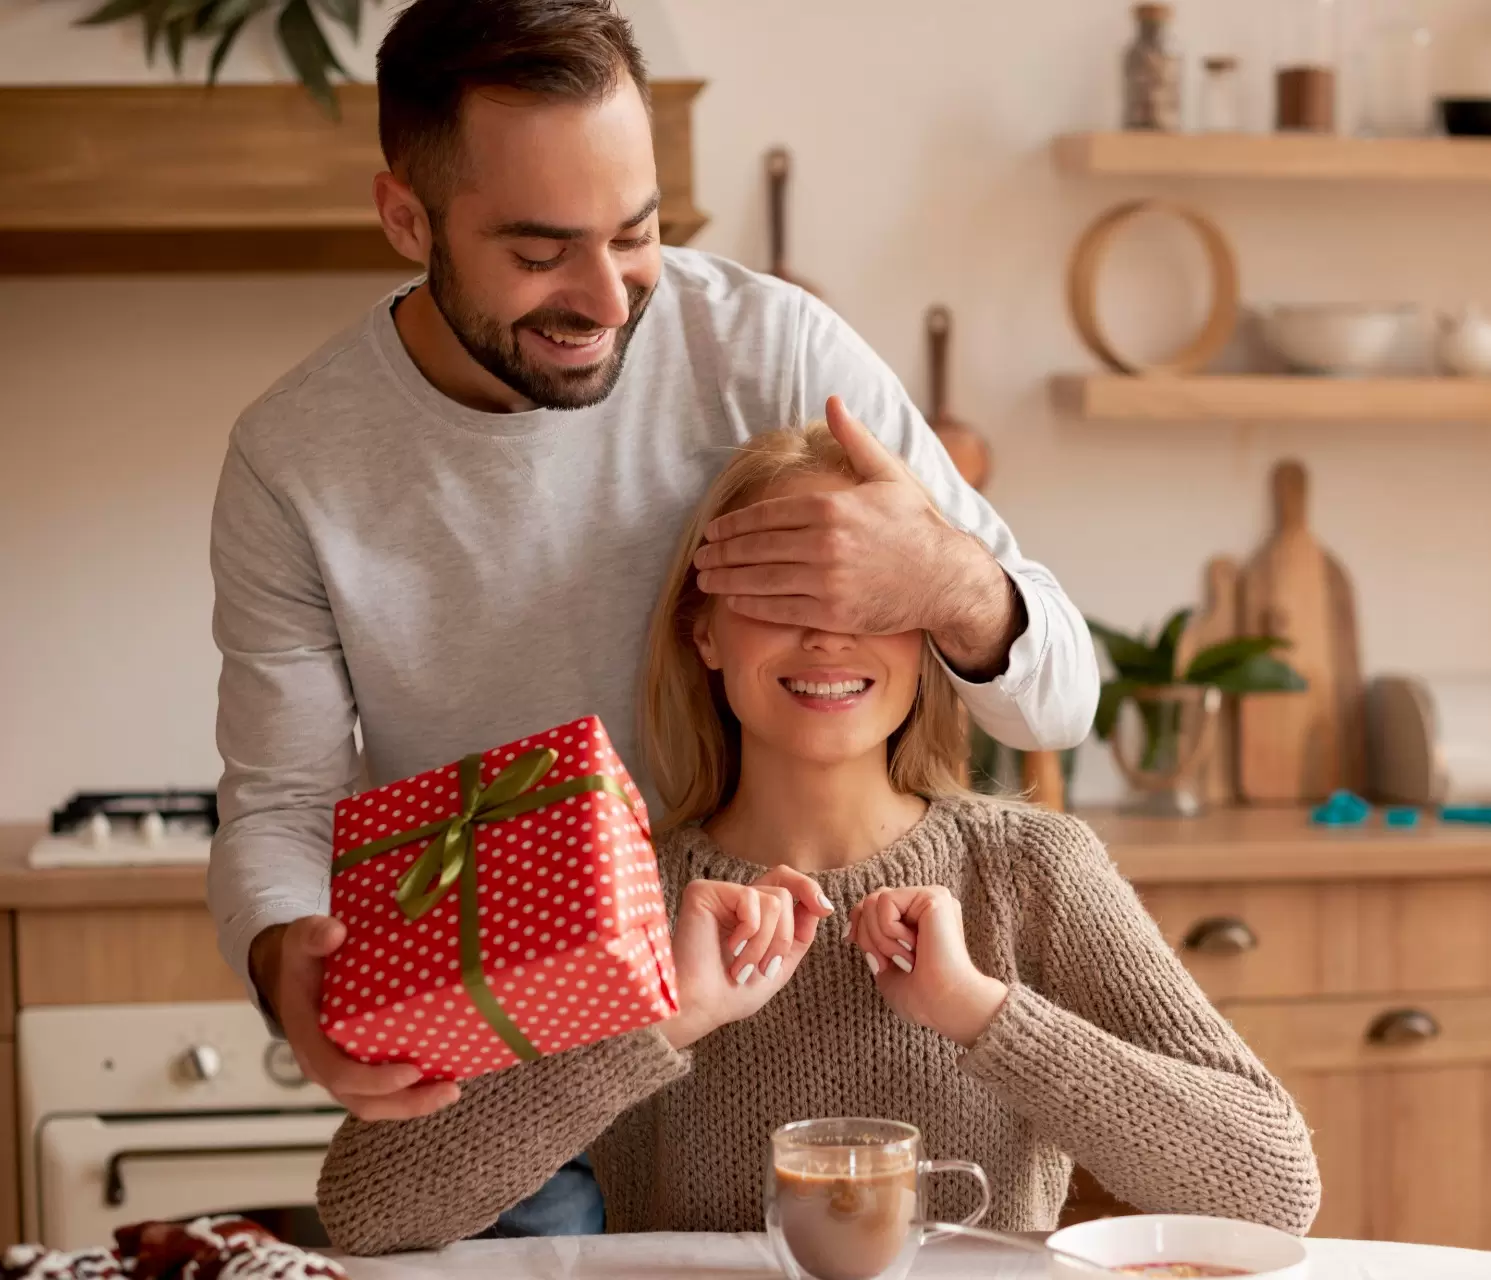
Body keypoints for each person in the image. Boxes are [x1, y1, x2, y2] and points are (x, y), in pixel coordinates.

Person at [207, 0, 1099, 1240]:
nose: (608, 298)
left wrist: (943, 578)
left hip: (776, 1006)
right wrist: (285, 961)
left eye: (637, 235)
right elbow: (283, 804)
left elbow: (1056, 692)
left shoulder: (775, 349)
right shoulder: (293, 458)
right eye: (538, 253)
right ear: (406, 219)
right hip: (523, 1074)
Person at [313, 423, 1322, 1255]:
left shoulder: (1031, 870)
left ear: (925, 633)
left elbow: (1275, 1184)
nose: (829, 636)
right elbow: (366, 1208)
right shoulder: (620, 888)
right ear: (703, 633)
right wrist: (664, 1018)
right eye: (778, 597)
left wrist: (980, 1011)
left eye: (871, 601)